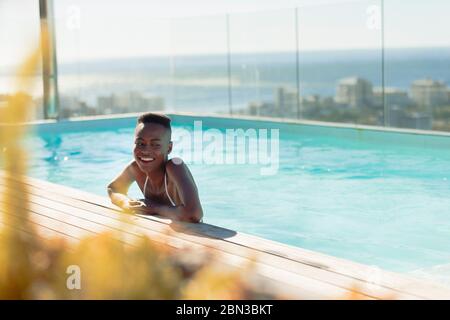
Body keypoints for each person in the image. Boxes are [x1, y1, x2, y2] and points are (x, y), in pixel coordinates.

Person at [107, 112, 203, 223]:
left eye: (155, 144)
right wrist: (125, 202)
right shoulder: (135, 168)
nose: (146, 151)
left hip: (191, 234)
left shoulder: (175, 166)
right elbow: (113, 188)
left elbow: (194, 214)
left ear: (169, 148)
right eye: (140, 143)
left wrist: (154, 208)